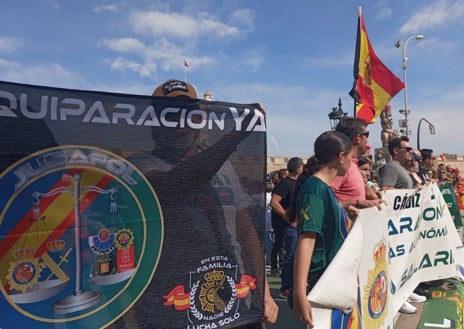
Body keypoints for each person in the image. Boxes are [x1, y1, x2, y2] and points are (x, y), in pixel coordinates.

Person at [123, 79, 278, 328]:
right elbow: (175, 186)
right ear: (154, 125)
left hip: (235, 294)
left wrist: (264, 291)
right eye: (170, 117)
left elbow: (245, 231)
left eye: (187, 116)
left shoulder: (224, 167)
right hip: (173, 301)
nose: (179, 125)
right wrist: (236, 136)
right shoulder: (138, 167)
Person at [289, 131, 356, 328]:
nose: (352, 163)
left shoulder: (324, 189)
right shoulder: (315, 189)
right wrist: (299, 292)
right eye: (351, 157)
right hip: (322, 279)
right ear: (341, 157)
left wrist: (350, 207)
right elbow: (307, 240)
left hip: (332, 277)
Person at [380, 137, 427, 314]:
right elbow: (385, 190)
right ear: (395, 151)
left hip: (404, 222)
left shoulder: (401, 169)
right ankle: (397, 297)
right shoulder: (392, 167)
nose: (411, 152)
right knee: (396, 260)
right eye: (407, 149)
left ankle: (405, 292)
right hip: (395, 223)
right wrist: (411, 192)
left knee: (405, 258)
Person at [331, 117, 383, 214]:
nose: (367, 139)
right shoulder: (341, 166)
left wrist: (367, 196)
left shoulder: (353, 165)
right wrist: (357, 203)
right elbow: (322, 201)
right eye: (366, 135)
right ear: (358, 138)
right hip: (343, 228)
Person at [269, 157, 304, 297]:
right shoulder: (286, 184)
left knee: (294, 255)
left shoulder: (297, 183)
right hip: (288, 226)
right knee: (290, 256)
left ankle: (292, 285)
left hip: (295, 225)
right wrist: (288, 218)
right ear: (297, 168)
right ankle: (286, 287)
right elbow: (274, 202)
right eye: (302, 166)